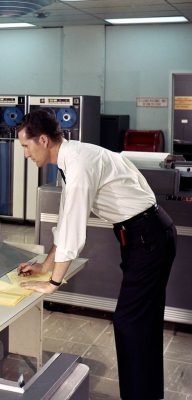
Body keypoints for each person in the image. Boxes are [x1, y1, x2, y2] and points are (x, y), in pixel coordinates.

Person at [17, 109, 177, 400]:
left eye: (26, 146)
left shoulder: (78, 164)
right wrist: (45, 265)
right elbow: (66, 219)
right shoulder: (71, 159)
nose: (26, 154)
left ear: (42, 140)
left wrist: (53, 283)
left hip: (147, 237)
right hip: (145, 236)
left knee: (130, 324)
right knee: (142, 323)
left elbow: (75, 230)